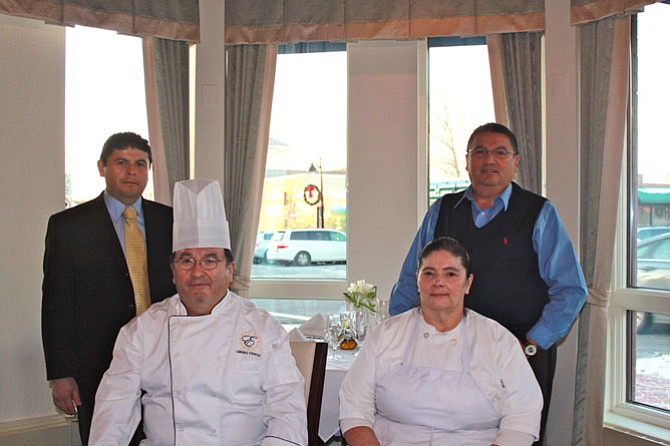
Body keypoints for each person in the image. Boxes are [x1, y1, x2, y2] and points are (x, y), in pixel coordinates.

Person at [389, 122, 588, 445]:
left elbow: (571, 288)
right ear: (467, 162)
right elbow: (412, 277)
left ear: (515, 162)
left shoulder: (539, 212)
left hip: (520, 351)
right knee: (446, 432)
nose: (489, 160)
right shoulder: (442, 210)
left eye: (499, 152)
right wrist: (399, 334)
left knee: (519, 435)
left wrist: (534, 342)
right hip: (446, 350)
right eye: (479, 152)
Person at [89, 179, 308, 446]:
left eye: (210, 260)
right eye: (186, 260)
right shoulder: (143, 331)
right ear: (172, 272)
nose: (197, 272)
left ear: (230, 270)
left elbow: (287, 407)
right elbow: (114, 410)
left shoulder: (263, 328)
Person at [340, 237, 543, 446]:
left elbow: (522, 417)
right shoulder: (384, 335)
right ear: (417, 282)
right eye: (429, 273)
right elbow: (354, 408)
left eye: (451, 274)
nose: (438, 282)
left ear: (468, 283)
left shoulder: (499, 341)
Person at [41, 132, 175, 445]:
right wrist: (60, 373)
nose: (132, 171)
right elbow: (57, 302)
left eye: (140, 164)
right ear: (102, 168)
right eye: (121, 162)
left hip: (164, 358)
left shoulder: (170, 220)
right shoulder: (69, 226)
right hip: (96, 365)